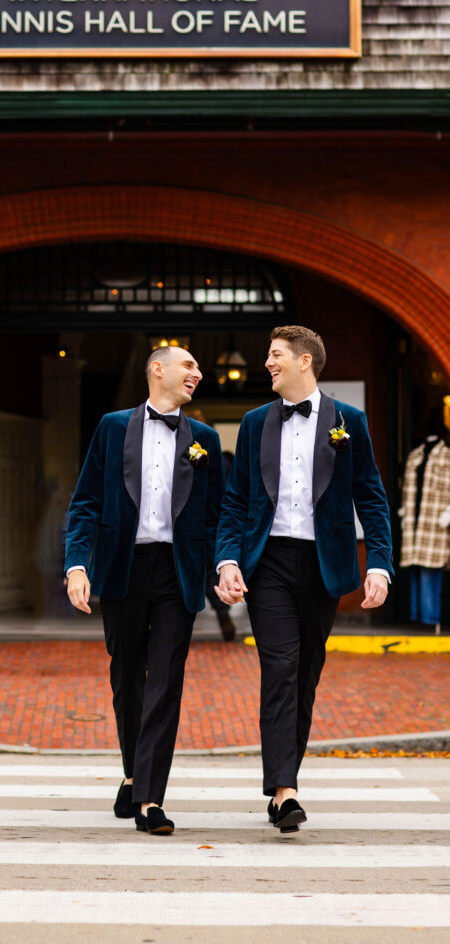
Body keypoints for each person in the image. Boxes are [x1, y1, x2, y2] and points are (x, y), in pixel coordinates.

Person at [215, 325, 393, 834]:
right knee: (281, 668)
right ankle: (283, 791)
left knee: (306, 674)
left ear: (305, 362)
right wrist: (228, 560)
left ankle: (284, 779)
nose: (266, 363)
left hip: (323, 565)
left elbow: (372, 498)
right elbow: (235, 500)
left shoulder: (348, 422)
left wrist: (378, 564)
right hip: (267, 563)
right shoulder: (254, 424)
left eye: (275, 356)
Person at [65, 345, 224, 834]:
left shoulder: (206, 439)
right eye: (189, 365)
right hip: (122, 568)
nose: (197, 372)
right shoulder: (113, 428)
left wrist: (225, 566)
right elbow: (86, 500)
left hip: (178, 571)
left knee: (166, 680)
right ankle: (134, 773)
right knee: (127, 676)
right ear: (158, 369)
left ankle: (150, 799)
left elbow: (219, 514)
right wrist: (76, 565)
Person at [399, 415, 450, 632]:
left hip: (435, 518)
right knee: (416, 568)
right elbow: (407, 487)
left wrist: (448, 512)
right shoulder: (415, 455)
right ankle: (418, 615)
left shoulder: (446, 455)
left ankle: (431, 618)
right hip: (414, 518)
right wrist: (403, 512)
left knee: (432, 568)